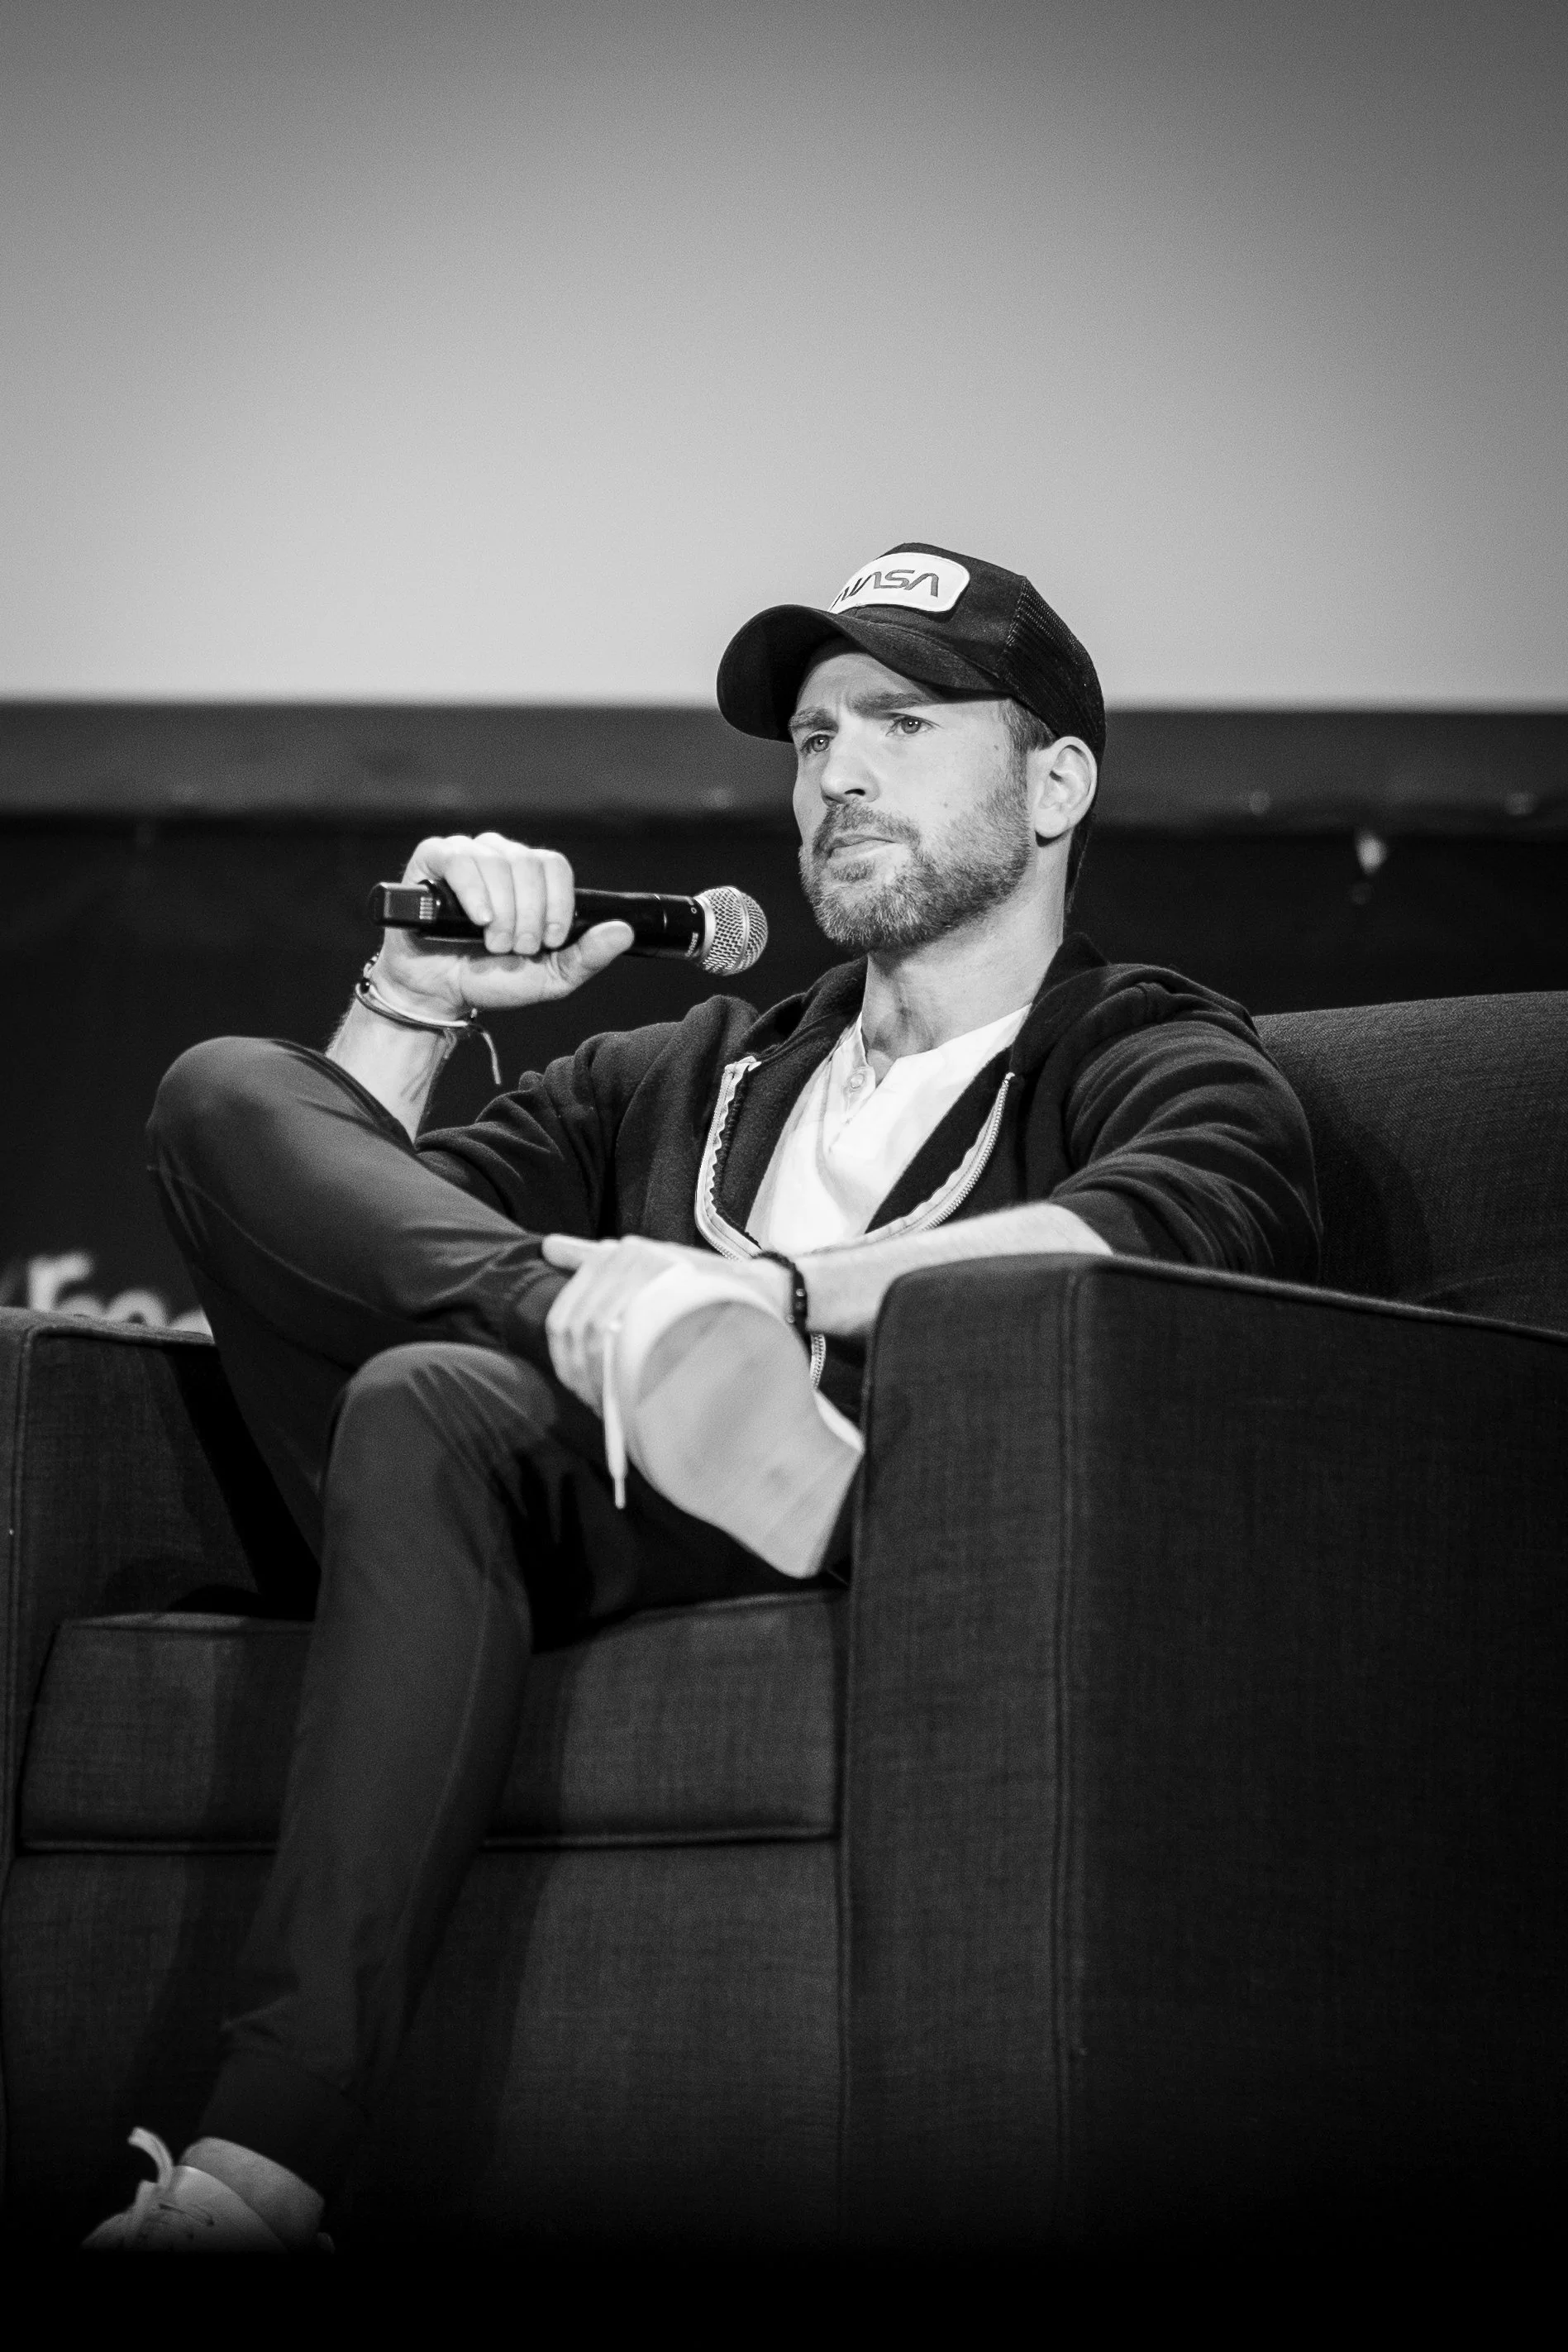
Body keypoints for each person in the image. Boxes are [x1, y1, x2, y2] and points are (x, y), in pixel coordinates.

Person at [89, 541, 1320, 2250]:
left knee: (435, 1392)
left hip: (855, 1521)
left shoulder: (1134, 1044)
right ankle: (609, 1328)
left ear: (1055, 787)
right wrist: (414, 1004)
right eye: (814, 738)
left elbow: (1181, 1222)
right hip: (539, 1491)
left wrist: (776, 1294)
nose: (838, 774)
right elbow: (359, 1226)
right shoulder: (690, 1071)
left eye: (902, 722)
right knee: (231, 1099)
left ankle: (252, 2172)